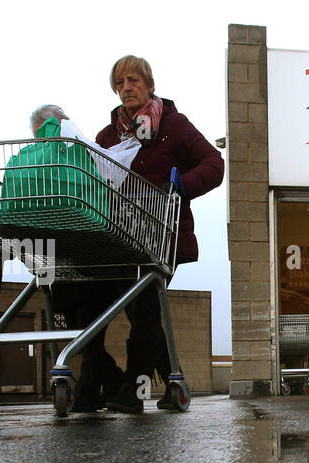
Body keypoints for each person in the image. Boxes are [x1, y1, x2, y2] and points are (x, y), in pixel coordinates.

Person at [95, 55, 224, 412]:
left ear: (150, 85)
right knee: (141, 313)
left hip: (163, 235)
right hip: (122, 235)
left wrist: (182, 185)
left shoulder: (173, 125)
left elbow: (214, 164)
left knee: (145, 308)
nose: (126, 88)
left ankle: (132, 392)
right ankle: (173, 383)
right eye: (120, 83)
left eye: (133, 80)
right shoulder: (107, 136)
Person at [20, 104, 125, 413]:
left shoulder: (79, 157)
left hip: (89, 260)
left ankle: (102, 384)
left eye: (49, 130)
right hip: (65, 262)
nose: (46, 139)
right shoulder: (45, 166)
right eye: (41, 135)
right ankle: (99, 385)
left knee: (86, 329)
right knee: (78, 329)